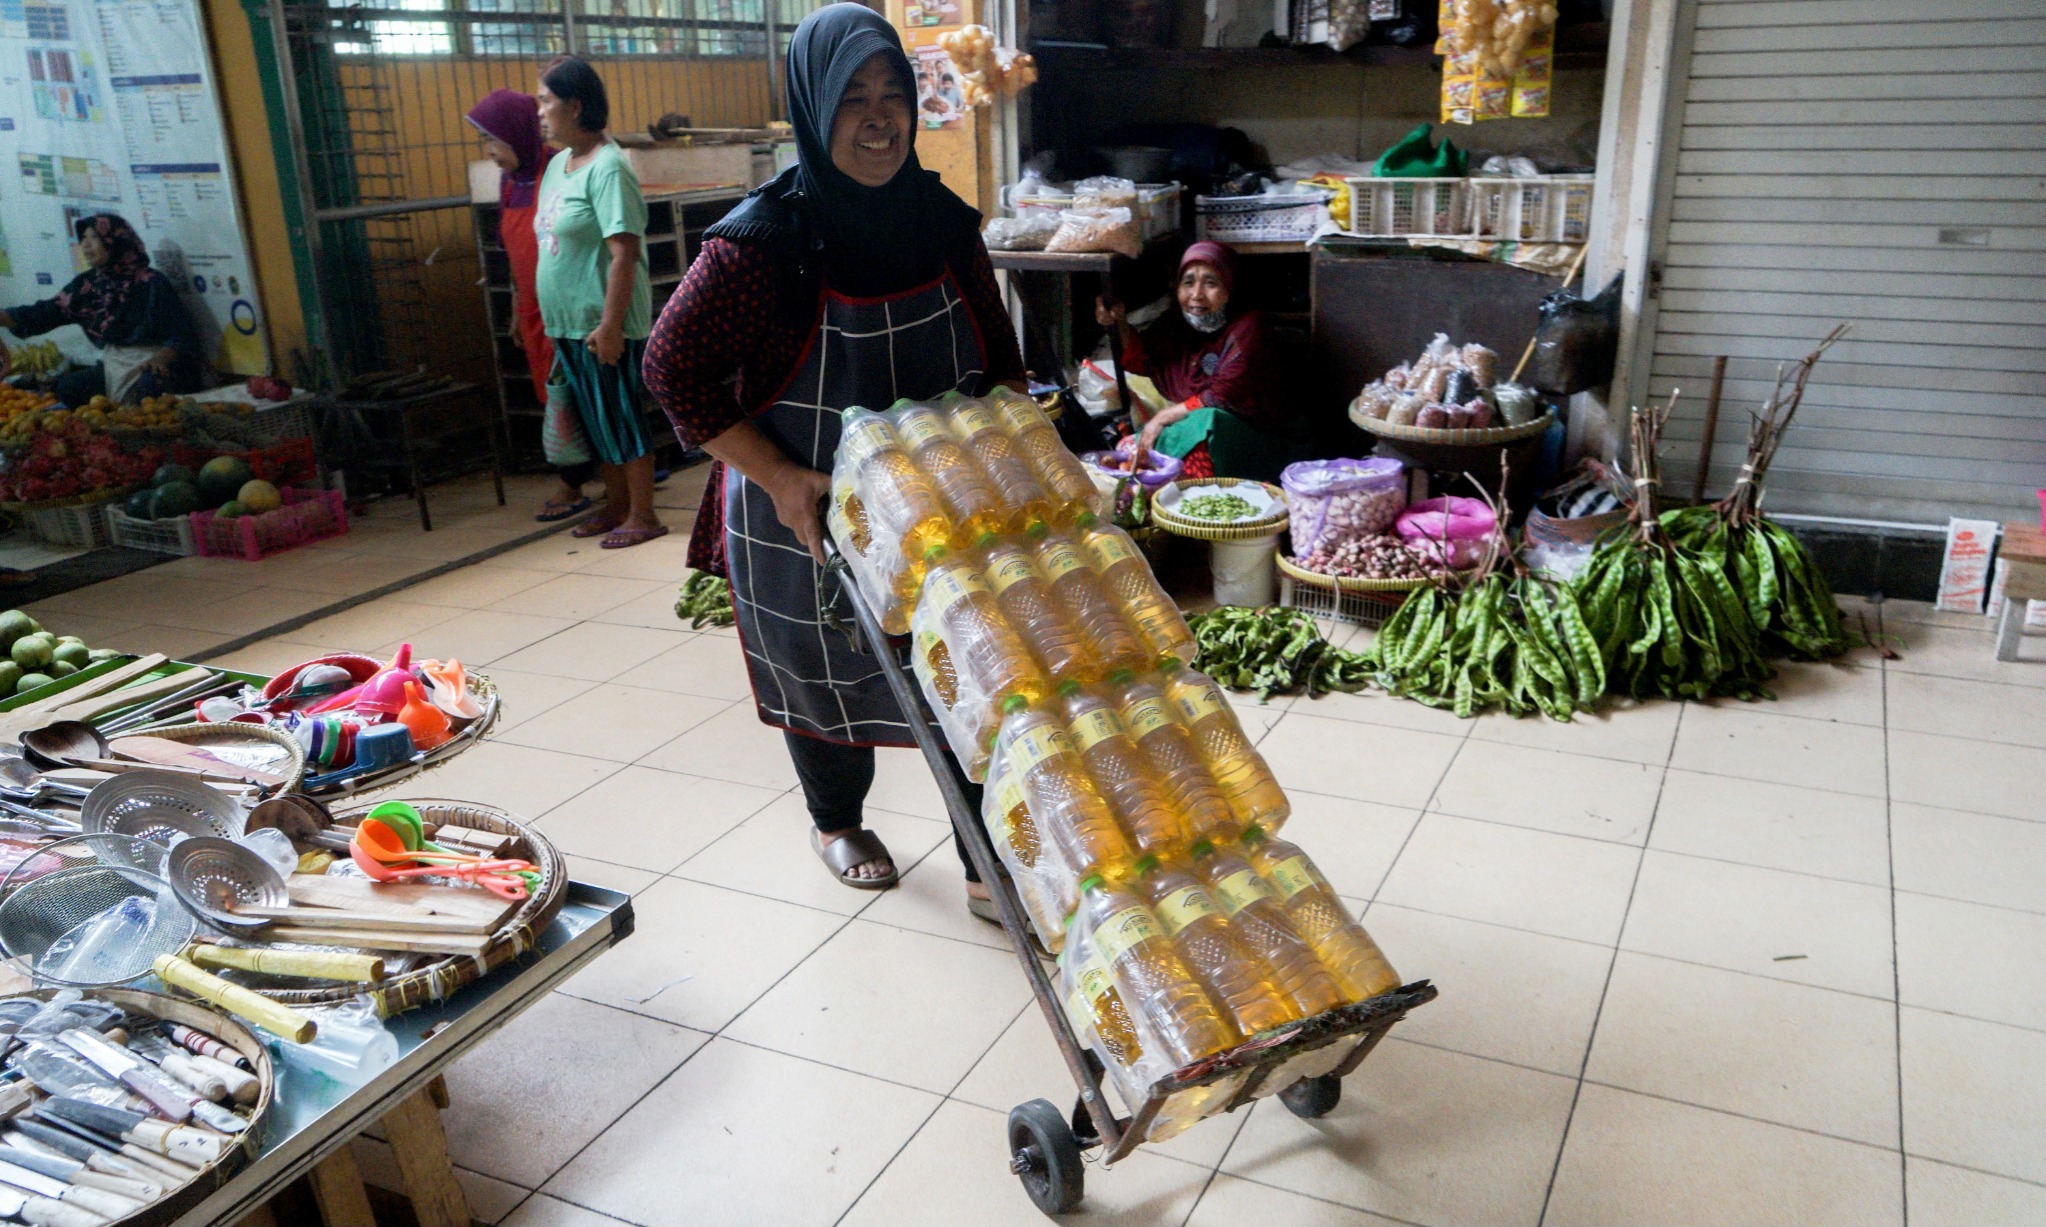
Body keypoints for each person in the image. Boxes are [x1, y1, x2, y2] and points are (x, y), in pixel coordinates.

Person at [643, 4, 1024, 904]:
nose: (881, 117)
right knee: (820, 671)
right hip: (804, 500)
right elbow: (669, 367)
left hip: (935, 500)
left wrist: (1027, 475)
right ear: (812, 108)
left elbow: (1002, 362)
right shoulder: (761, 244)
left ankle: (984, 860)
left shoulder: (938, 218)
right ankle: (837, 821)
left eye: (895, 94)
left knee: (966, 675)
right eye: (854, 97)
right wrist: (776, 477)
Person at [533, 56, 666, 548]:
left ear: (576, 106)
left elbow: (624, 252)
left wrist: (610, 325)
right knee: (595, 422)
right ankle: (614, 508)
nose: (541, 113)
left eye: (546, 102)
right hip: (566, 323)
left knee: (619, 417)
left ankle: (643, 513)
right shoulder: (557, 166)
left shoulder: (609, 169)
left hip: (601, 324)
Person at [467, 89, 597, 523]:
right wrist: (518, 307)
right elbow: (516, 253)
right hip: (534, 308)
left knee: (586, 391)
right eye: (485, 143)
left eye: (496, 142)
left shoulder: (558, 170)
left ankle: (578, 480)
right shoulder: (510, 183)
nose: (491, 153)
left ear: (520, 135)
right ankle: (586, 470)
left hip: (569, 301)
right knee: (555, 394)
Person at [1095, 241, 1291, 481]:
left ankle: (1199, 498)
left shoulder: (1249, 328)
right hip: (1197, 426)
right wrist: (1118, 321)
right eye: (1188, 282)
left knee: (1207, 420)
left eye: (1211, 283)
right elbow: (1145, 358)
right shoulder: (1177, 323)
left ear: (1230, 287)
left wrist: (1162, 418)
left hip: (1258, 438)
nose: (1196, 295)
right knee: (1126, 450)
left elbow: (1221, 396)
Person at [0, 215, 204, 406]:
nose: (85, 244)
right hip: (115, 364)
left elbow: (182, 336)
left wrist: (159, 360)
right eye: (83, 238)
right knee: (69, 387)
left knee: (150, 388)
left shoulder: (151, 283)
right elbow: (47, 312)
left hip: (158, 362)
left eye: (94, 237)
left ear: (115, 241)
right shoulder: (89, 284)